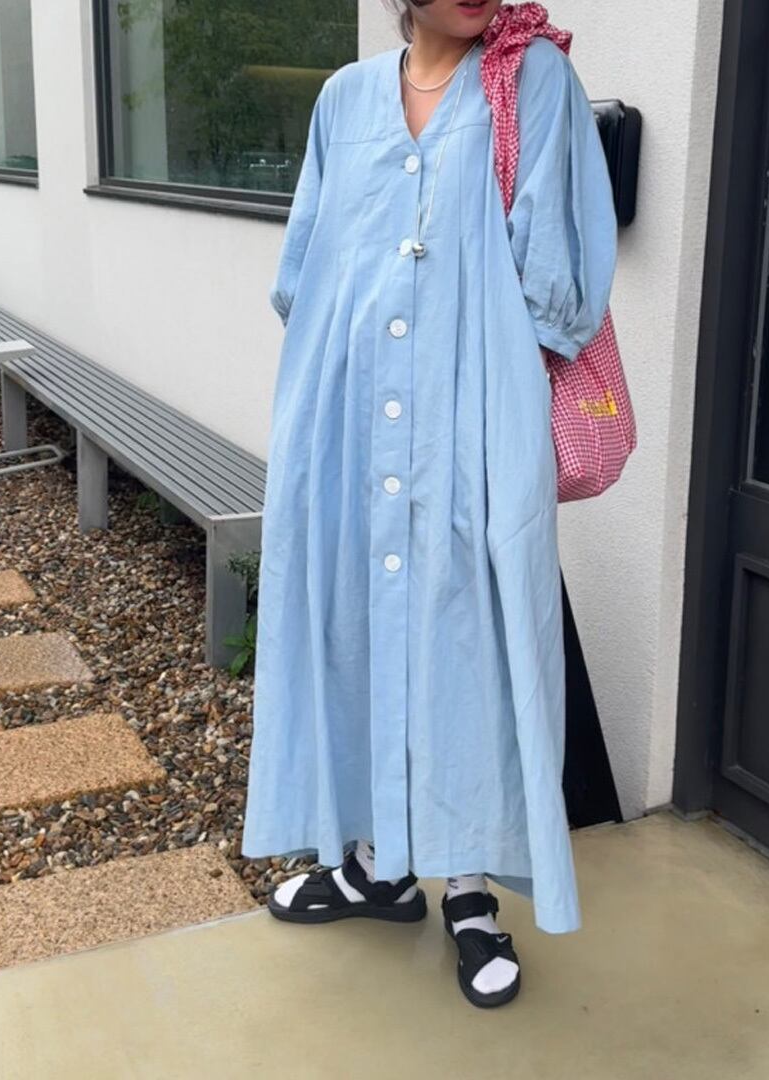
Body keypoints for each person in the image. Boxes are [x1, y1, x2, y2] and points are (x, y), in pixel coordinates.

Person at [240, 0, 617, 1009]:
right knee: (357, 628)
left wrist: (485, 397)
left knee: (472, 642)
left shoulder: (532, 82)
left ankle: (470, 888)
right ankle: (378, 866)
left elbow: (560, 278)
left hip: (472, 421)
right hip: (348, 420)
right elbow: (307, 270)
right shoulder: (344, 98)